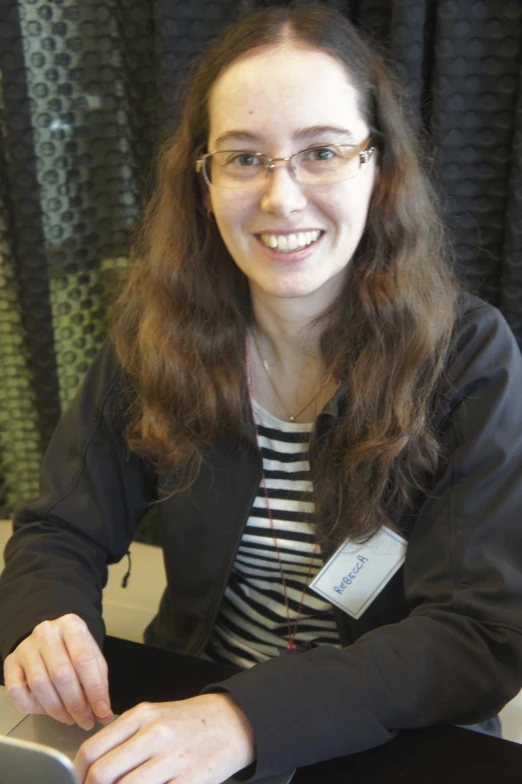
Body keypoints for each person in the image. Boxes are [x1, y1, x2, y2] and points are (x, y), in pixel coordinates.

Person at [1, 5, 522, 784]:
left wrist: (251, 717)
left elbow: (479, 635)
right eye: (244, 158)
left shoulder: (470, 358)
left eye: (321, 152)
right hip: (193, 707)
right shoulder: (156, 337)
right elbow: (57, 532)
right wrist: (48, 619)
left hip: (397, 737)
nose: (281, 199)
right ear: (203, 181)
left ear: (377, 166)